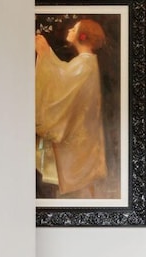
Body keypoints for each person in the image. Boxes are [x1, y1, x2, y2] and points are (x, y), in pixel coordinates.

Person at [35, 19, 107, 197]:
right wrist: (47, 53)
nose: (69, 30)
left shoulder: (85, 64)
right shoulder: (85, 62)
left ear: (83, 36)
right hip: (83, 135)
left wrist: (45, 53)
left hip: (80, 138)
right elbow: (63, 74)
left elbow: (61, 81)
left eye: (74, 29)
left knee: (77, 187)